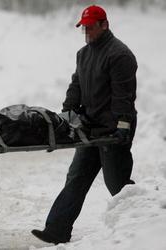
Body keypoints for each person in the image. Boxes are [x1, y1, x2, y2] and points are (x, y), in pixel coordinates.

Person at [31, 5, 137, 244]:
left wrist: (123, 125)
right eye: (84, 28)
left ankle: (142, 222)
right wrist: (67, 111)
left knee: (117, 184)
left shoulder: (120, 55)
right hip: (90, 127)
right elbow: (76, 85)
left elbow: (124, 96)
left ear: (104, 25)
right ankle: (57, 230)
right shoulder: (84, 54)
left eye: (90, 27)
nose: (86, 31)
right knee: (76, 176)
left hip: (113, 130)